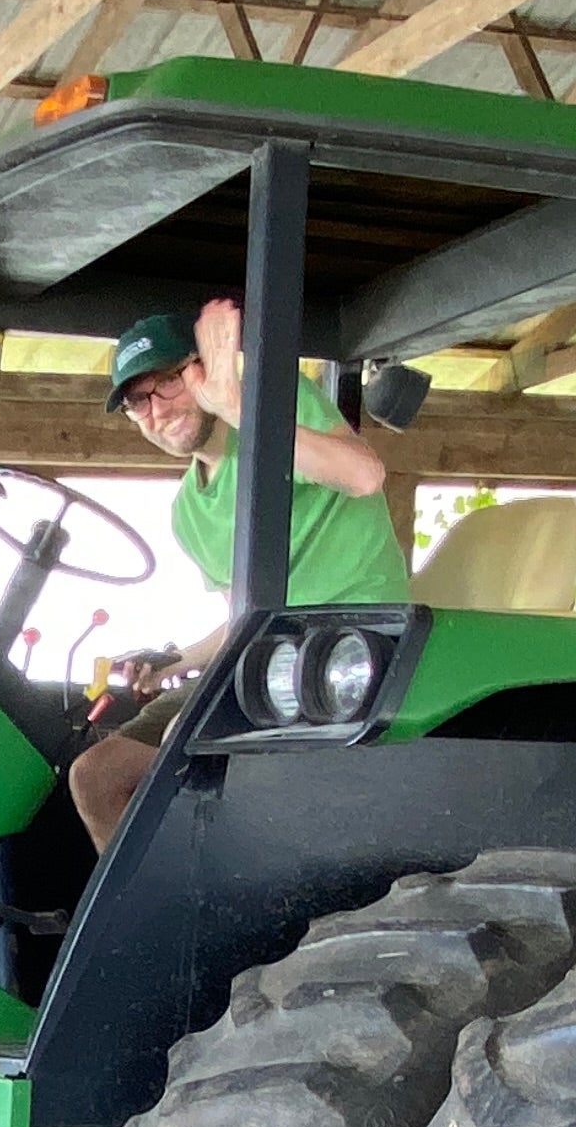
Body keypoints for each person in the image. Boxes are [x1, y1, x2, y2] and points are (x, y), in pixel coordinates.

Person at [68, 295, 405, 842]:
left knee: (189, 741)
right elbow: (242, 618)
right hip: (266, 658)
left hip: (348, 654)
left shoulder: (273, 408)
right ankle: (151, 924)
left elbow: (363, 475)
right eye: (137, 401)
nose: (156, 409)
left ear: (200, 370)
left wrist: (236, 404)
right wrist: (173, 662)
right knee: (95, 774)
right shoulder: (188, 513)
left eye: (167, 384)